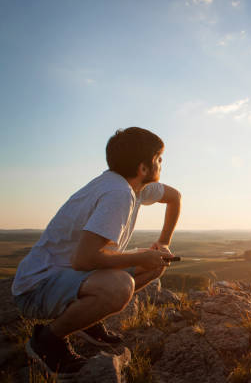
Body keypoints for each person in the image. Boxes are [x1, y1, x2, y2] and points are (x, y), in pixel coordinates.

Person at [11, 127, 181, 378]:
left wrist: (163, 243)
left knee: (157, 264)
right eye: (158, 158)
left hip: (70, 276)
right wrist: (140, 256)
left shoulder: (135, 187)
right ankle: (47, 340)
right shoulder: (117, 194)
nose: (161, 163)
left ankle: (85, 320)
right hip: (36, 288)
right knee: (120, 286)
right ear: (143, 168)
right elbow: (84, 259)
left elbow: (175, 197)